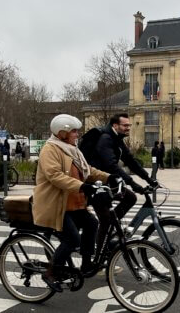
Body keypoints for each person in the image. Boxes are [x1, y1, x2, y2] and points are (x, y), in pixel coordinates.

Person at [32, 114, 111, 292]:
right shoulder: (50, 150)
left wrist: (109, 177)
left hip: (74, 204)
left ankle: (86, 264)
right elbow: (55, 176)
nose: (77, 134)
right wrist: (83, 186)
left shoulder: (72, 149)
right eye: (73, 131)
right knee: (72, 239)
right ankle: (50, 273)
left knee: (92, 223)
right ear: (62, 133)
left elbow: (88, 170)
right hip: (56, 206)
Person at [84, 113, 157, 255]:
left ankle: (112, 225)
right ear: (115, 126)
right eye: (125, 125)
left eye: (129, 125)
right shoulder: (106, 139)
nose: (128, 128)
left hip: (108, 181)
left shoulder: (117, 139)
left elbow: (130, 161)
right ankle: (99, 256)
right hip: (96, 184)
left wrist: (148, 178)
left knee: (130, 198)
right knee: (104, 220)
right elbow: (111, 165)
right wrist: (132, 183)